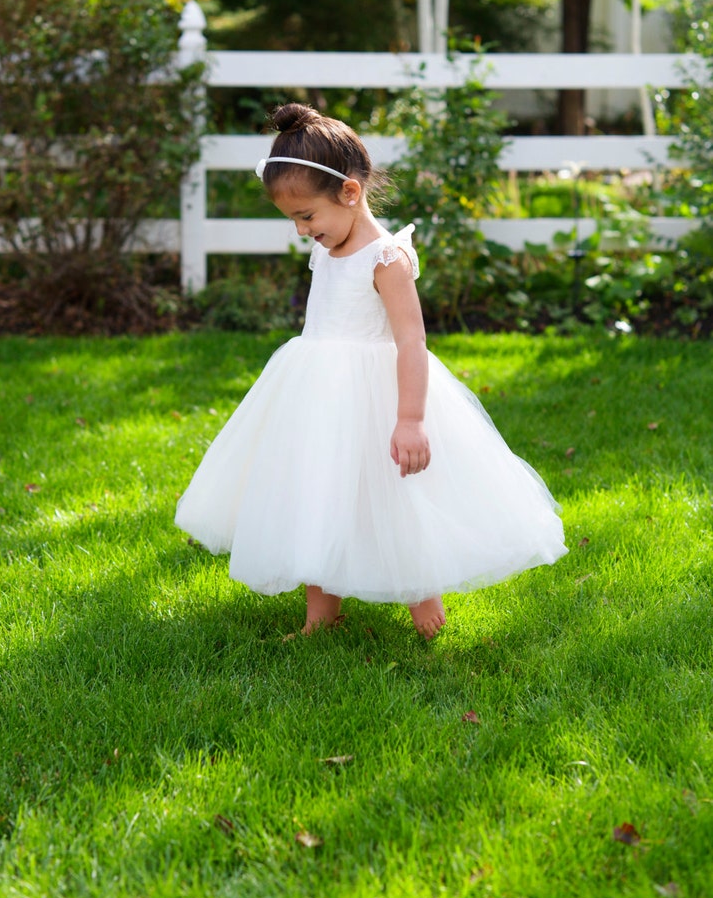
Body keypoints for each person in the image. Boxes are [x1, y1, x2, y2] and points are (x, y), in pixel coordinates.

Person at [175, 103, 567, 638]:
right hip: (317, 394)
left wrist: (410, 419)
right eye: (292, 219)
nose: (300, 231)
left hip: (377, 397)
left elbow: (411, 340)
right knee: (316, 488)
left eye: (306, 217)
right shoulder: (326, 249)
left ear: (351, 194)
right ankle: (321, 616)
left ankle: (424, 605)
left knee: (396, 496)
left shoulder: (387, 259)